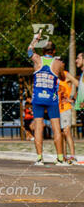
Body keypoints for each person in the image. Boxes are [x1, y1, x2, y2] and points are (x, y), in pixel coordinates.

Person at [27, 33, 66, 165]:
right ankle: (60, 158)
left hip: (38, 98)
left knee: (38, 128)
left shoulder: (37, 59)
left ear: (43, 50)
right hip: (52, 99)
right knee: (56, 128)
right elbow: (62, 78)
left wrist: (36, 38)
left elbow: (29, 50)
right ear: (54, 51)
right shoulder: (58, 63)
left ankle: (39, 158)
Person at [58, 69, 78, 163]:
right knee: (61, 134)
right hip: (56, 109)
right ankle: (64, 156)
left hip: (65, 108)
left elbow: (79, 84)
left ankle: (72, 156)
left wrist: (73, 99)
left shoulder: (65, 75)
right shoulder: (53, 77)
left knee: (67, 131)